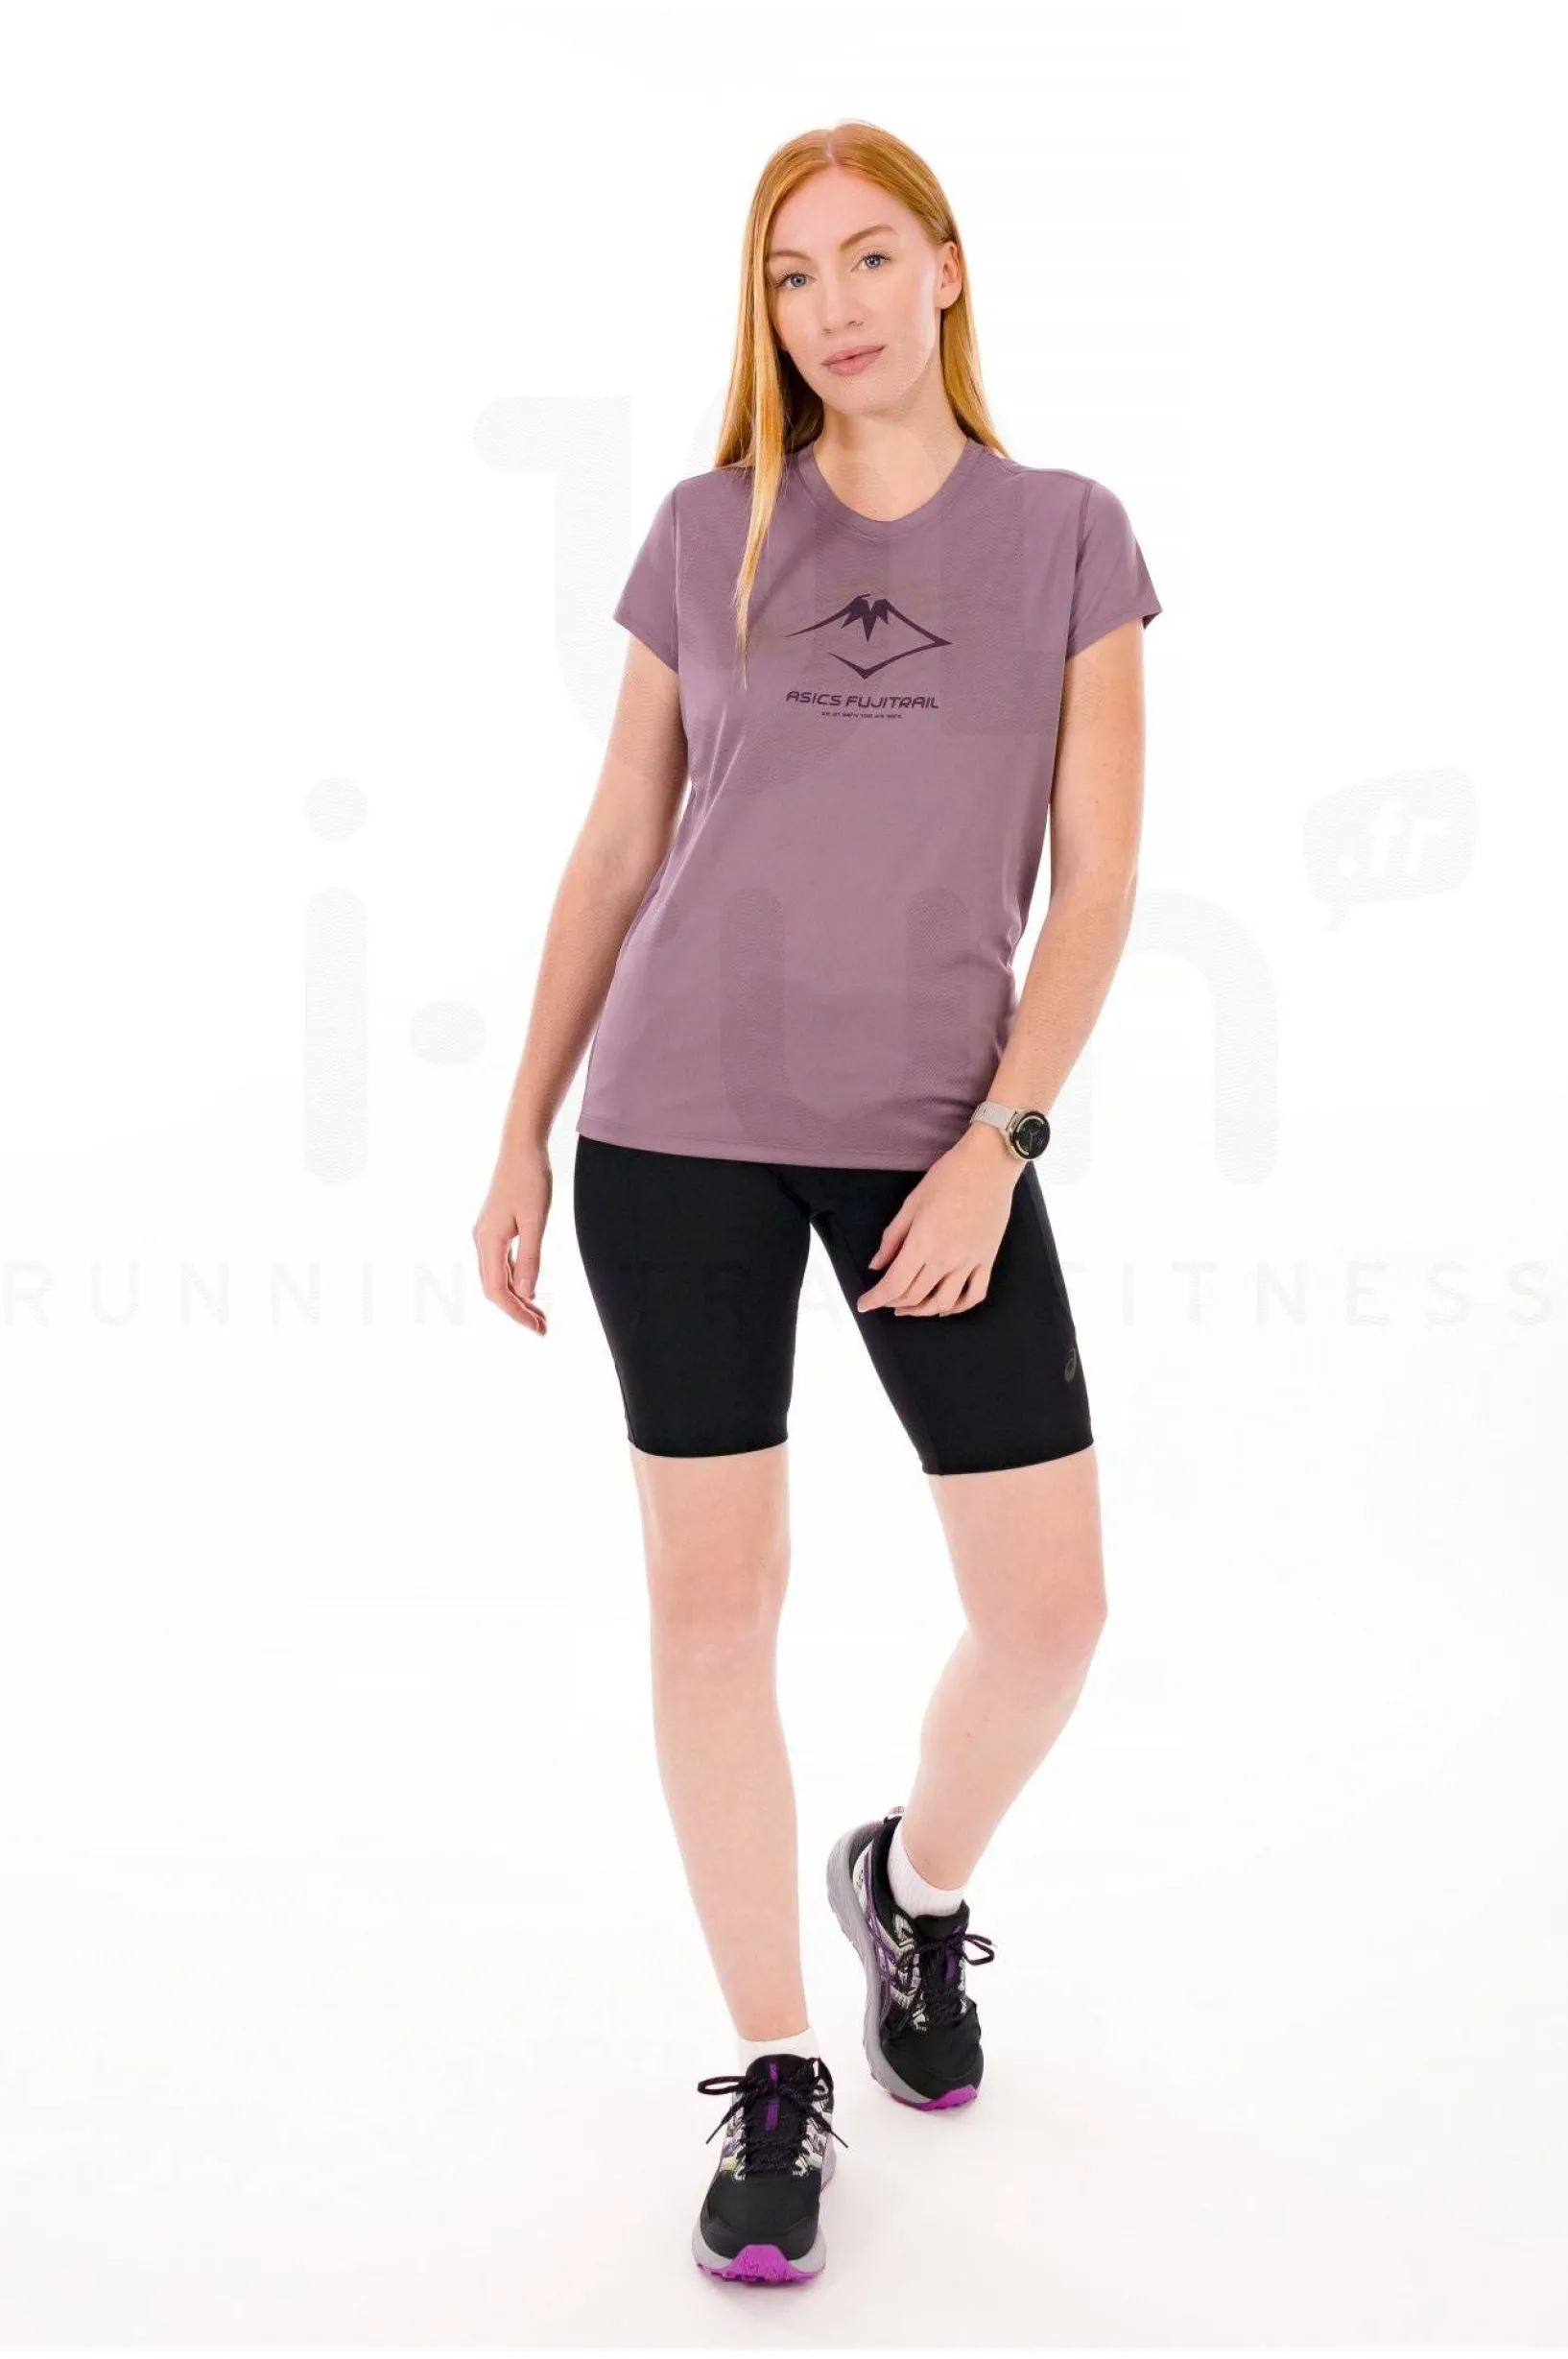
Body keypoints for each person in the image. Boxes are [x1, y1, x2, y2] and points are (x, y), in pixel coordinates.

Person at [472, 119, 1160, 2285]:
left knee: (1050, 1612)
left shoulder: (1067, 533)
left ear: (945, 268)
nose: (831, 307)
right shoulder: (708, 526)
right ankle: (774, 2063)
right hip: (673, 1121)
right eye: (789, 275)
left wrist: (997, 1143)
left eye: (867, 258)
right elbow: (618, 840)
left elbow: (1098, 879)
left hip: (934, 1132)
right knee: (714, 1607)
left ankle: (913, 1889)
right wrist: (521, 1126)